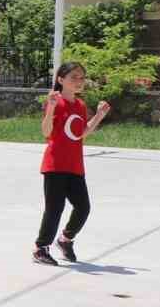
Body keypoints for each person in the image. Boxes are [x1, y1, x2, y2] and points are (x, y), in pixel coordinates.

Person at [34, 63, 110, 264]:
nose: (78, 81)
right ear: (60, 80)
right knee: (54, 209)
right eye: (73, 77)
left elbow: (81, 133)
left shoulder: (80, 105)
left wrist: (99, 116)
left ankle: (65, 239)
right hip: (55, 165)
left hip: (75, 166)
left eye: (81, 78)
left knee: (83, 207)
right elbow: (46, 132)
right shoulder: (55, 102)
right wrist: (50, 108)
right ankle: (41, 248)